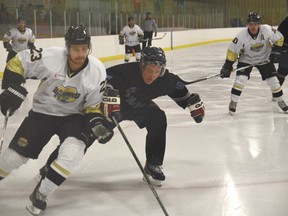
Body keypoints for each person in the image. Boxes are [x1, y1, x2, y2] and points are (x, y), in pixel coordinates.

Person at [36, 46, 205, 187]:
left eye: (157, 71)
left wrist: (192, 103)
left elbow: (180, 90)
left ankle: (153, 164)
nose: (153, 75)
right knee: (87, 134)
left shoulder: (165, 79)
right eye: (149, 70)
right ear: (142, 65)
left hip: (140, 106)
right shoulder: (125, 72)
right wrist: (108, 94)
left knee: (158, 118)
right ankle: (52, 165)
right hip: (114, 108)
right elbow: (103, 80)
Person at [0, 25, 115, 215]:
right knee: (13, 157)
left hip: (73, 117)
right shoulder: (51, 57)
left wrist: (96, 122)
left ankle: (42, 192)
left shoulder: (97, 71)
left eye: (85, 48)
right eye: (76, 49)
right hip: (42, 113)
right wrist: (12, 87)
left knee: (74, 153)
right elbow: (18, 62)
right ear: (67, 47)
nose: (81, 54)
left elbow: (92, 107)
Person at [220, 12, 288, 114]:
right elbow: (232, 52)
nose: (253, 27)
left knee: (274, 81)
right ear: (248, 24)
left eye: (255, 24)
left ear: (259, 24)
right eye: (251, 24)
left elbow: (280, 38)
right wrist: (227, 66)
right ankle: (233, 102)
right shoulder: (241, 36)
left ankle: (281, 101)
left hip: (264, 59)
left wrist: (276, 51)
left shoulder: (267, 29)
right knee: (240, 80)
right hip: (246, 60)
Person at [275, 16, 288, 86]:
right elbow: (278, 35)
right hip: (286, 50)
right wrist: (278, 49)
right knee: (282, 73)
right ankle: (276, 94)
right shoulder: (286, 21)